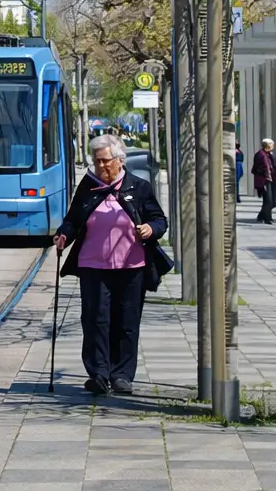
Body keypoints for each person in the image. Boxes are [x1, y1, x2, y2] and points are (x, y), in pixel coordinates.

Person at [54, 132, 171, 396]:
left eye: (106, 161)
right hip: (93, 266)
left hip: (132, 267)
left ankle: (122, 375)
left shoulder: (138, 187)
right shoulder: (88, 186)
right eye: (97, 162)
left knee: (126, 322)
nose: (102, 167)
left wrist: (150, 229)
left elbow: (159, 220)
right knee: (95, 320)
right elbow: (73, 219)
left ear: (120, 160)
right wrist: (63, 234)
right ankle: (98, 374)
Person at [253, 138, 276, 224]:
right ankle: (267, 218)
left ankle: (262, 216)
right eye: (272, 144)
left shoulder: (268, 154)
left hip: (271, 180)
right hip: (264, 180)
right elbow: (262, 168)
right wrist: (267, 176)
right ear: (268, 146)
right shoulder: (261, 155)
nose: (273, 146)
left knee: (270, 200)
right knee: (268, 200)